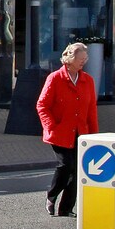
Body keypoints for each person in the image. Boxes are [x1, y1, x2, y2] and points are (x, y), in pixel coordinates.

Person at [37, 42, 99, 216]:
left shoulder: (88, 80)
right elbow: (42, 105)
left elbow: (91, 110)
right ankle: (51, 196)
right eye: (80, 59)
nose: (83, 62)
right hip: (60, 132)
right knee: (66, 165)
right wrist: (51, 126)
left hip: (81, 132)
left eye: (85, 58)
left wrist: (94, 136)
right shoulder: (55, 78)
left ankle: (66, 208)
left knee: (77, 170)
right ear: (70, 58)